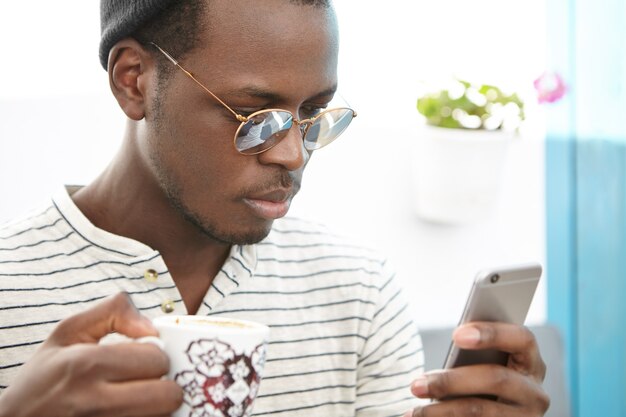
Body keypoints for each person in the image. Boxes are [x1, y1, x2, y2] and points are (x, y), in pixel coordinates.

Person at [0, 1, 550, 416]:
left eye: (313, 114)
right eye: (252, 117)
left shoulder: (357, 290)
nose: (292, 155)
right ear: (133, 81)